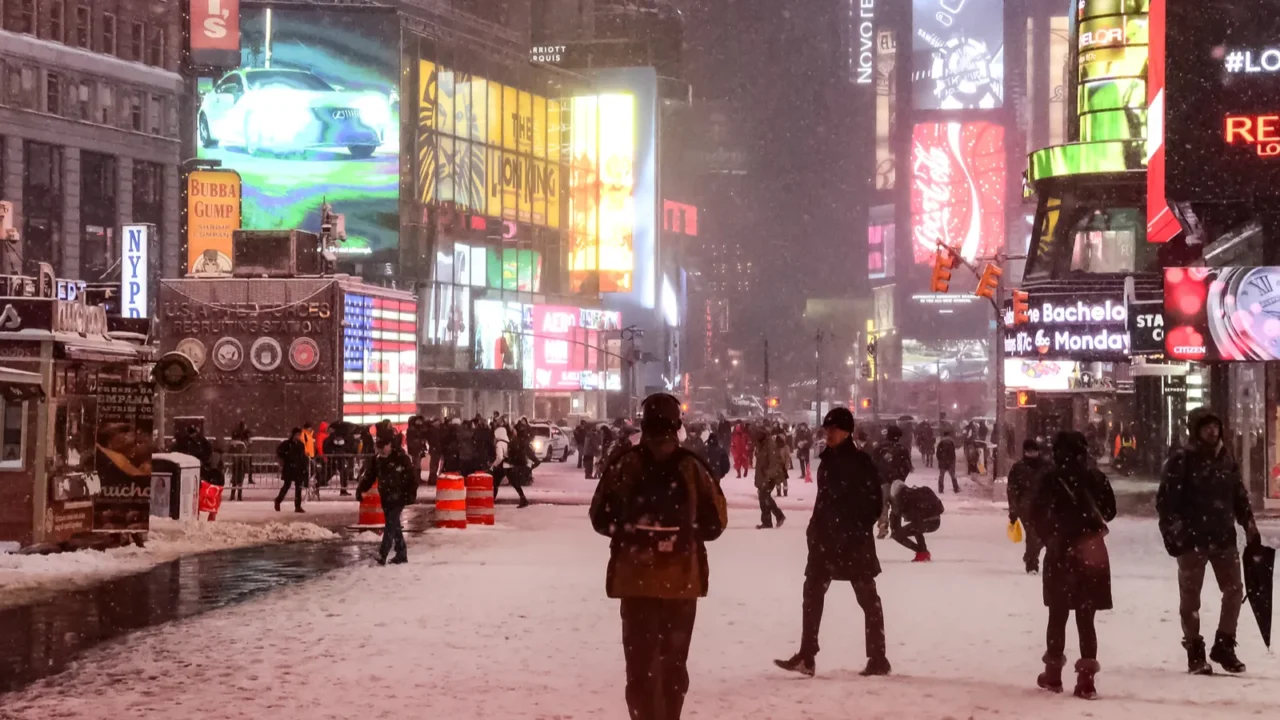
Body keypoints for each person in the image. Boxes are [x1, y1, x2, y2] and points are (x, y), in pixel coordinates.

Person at [589, 393, 728, 720]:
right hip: (681, 581)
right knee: (673, 665)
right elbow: (716, 522)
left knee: (639, 668)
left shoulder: (625, 464)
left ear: (643, 424)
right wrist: (683, 535)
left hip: (635, 580)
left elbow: (599, 517)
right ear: (677, 425)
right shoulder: (693, 466)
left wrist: (632, 533)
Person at [774, 407, 889, 678]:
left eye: (833, 429)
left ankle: (878, 658)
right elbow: (824, 500)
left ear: (847, 431)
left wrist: (856, 527)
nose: (828, 434)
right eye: (826, 429)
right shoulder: (828, 460)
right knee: (812, 593)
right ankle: (807, 655)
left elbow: (873, 503)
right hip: (826, 540)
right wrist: (815, 529)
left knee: (867, 598)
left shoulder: (861, 462)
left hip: (852, 542)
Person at [1158, 410, 1261, 675]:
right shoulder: (1182, 460)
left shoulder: (1226, 459)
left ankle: (1224, 644)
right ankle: (1194, 650)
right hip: (1192, 539)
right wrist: (1176, 533)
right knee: (1191, 599)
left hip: (1223, 537)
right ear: (1196, 431)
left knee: (1235, 590)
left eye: (1216, 426)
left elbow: (1238, 495)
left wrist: (1248, 524)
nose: (1213, 431)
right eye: (1207, 427)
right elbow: (1166, 502)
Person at [1029, 431, 1116, 700]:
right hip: (1090, 551)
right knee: (1086, 616)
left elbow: (1034, 513)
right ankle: (1086, 680)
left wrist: (1051, 537)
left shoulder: (1049, 477)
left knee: (1058, 614)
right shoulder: (1094, 476)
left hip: (1060, 551)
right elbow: (1110, 511)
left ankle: (1053, 674)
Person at [357, 434, 416, 565]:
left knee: (390, 524)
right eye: (379, 448)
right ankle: (401, 553)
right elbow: (369, 476)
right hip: (385, 496)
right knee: (394, 525)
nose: (381, 451)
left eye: (383, 448)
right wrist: (360, 490)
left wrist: (411, 494)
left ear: (390, 445)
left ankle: (382, 554)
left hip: (399, 496)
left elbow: (412, 477)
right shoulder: (377, 460)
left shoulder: (401, 458)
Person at [1007, 439, 1050, 574]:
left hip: (1044, 506)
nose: (1031, 454)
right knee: (1033, 535)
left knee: (1044, 536)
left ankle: (1030, 555)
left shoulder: (1047, 467)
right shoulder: (1018, 468)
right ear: (1025, 452)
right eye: (1029, 451)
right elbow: (1012, 489)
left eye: (1034, 451)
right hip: (1026, 507)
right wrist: (1013, 509)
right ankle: (1032, 564)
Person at [872, 425, 913, 539]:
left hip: (882, 481)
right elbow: (907, 466)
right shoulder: (902, 449)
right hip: (897, 482)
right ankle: (895, 528)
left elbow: (872, 464)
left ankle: (883, 525)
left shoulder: (879, 448)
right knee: (896, 506)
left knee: (883, 504)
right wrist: (900, 477)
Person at [889, 479, 944, 562]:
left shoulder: (902, 498)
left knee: (896, 535)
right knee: (916, 527)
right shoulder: (914, 493)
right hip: (935, 521)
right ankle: (922, 552)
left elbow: (896, 527)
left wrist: (893, 515)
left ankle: (922, 552)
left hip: (926, 522)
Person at [754, 427, 786, 529]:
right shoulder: (760, 445)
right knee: (763, 498)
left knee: (764, 496)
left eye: (760, 434)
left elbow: (774, 462)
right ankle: (768, 521)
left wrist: (768, 475)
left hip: (769, 476)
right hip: (763, 475)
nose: (757, 436)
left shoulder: (770, 445)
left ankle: (778, 515)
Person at [492, 425, 530, 508]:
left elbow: (500, 457)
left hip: (505, 466)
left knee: (496, 483)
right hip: (510, 465)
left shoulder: (499, 443)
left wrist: (494, 464)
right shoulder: (508, 441)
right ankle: (523, 498)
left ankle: (492, 500)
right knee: (514, 483)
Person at [274, 428, 308, 513]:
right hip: (289, 467)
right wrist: (287, 457)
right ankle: (278, 500)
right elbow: (280, 452)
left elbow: (302, 456)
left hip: (298, 468)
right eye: (297, 435)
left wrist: (304, 466)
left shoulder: (300, 445)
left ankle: (298, 506)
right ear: (293, 435)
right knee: (286, 485)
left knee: (298, 487)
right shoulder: (287, 444)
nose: (298, 437)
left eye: (299, 435)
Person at [774, 431, 793, 498]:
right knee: (777, 480)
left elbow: (787, 457)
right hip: (776, 466)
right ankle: (778, 492)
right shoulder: (775, 446)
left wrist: (786, 466)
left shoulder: (786, 447)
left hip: (783, 466)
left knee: (784, 480)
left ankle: (785, 493)